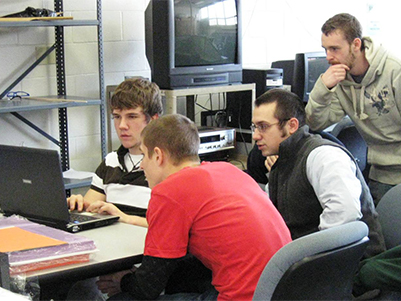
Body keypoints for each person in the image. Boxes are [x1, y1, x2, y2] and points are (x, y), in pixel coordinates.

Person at [95, 114, 292, 301]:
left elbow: (147, 288)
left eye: (144, 156)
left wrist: (121, 281)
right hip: (281, 292)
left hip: (243, 297)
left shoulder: (169, 191)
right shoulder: (228, 170)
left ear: (158, 156)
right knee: (181, 278)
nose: (142, 166)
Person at [252, 88, 385, 258]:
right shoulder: (282, 159)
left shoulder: (323, 156)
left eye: (263, 127)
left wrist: (300, 255)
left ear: (292, 125)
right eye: (255, 127)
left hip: (349, 266)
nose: (256, 135)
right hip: (308, 260)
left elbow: (345, 215)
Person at [305, 13, 401, 205]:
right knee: (381, 232)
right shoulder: (341, 80)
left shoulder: (394, 71)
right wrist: (323, 87)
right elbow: (315, 122)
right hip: (380, 175)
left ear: (356, 45)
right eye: (325, 49)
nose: (328, 57)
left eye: (335, 49)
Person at [67, 77, 163, 228]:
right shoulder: (110, 161)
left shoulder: (165, 166)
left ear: (153, 120)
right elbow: (90, 210)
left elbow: (170, 226)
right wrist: (77, 205)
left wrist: (122, 217)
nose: (122, 125)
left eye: (132, 116)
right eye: (117, 117)